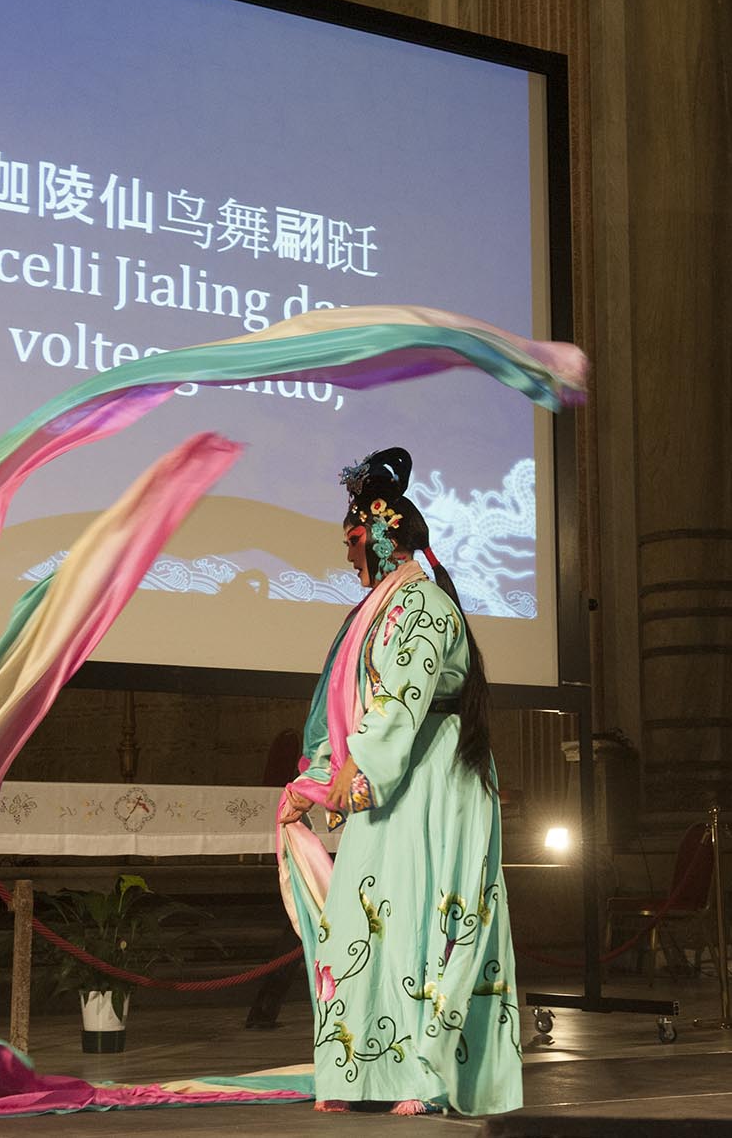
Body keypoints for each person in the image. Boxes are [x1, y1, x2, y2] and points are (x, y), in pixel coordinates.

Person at [277, 447, 521, 1117]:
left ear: (382, 535)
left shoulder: (423, 606)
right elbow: (360, 708)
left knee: (422, 916)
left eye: (351, 540)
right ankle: (361, 1073)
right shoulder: (381, 609)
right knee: (364, 920)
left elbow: (397, 702)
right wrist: (321, 776)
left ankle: (421, 1074)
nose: (347, 555)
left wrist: (347, 776)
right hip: (396, 774)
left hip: (434, 774)